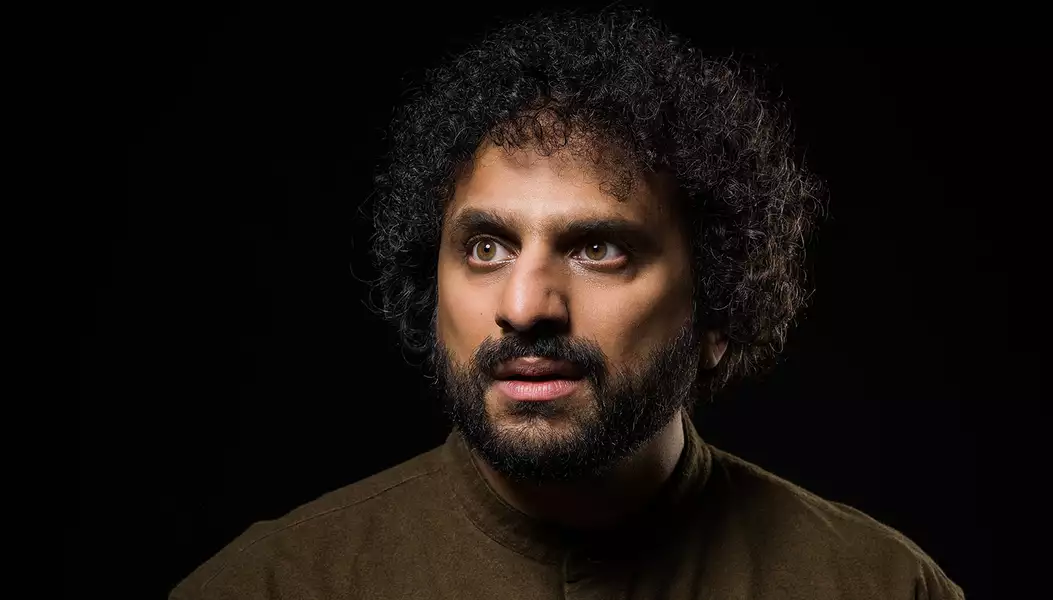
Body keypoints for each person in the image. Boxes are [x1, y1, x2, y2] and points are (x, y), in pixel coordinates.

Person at [170, 8, 964, 599]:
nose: (524, 306)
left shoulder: (878, 585)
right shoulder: (270, 585)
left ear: (716, 303)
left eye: (597, 249)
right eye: (487, 248)